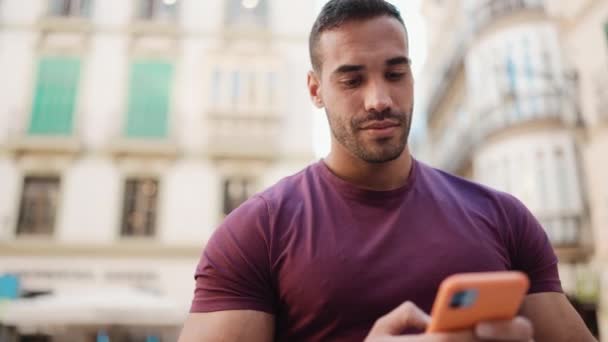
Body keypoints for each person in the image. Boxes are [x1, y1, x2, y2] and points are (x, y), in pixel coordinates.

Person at [178, 0, 596, 341]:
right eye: (352, 80)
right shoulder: (257, 232)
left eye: (395, 74)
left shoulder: (505, 218)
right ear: (315, 90)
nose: (379, 98)